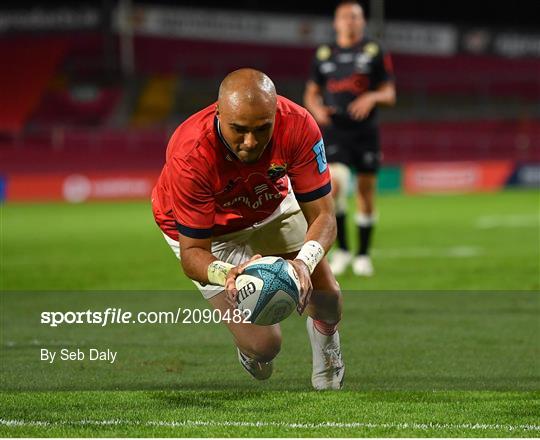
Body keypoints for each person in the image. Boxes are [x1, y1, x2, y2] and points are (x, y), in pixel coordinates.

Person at [152, 68, 344, 390]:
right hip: (210, 232)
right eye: (238, 130)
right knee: (265, 345)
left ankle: (327, 351)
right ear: (218, 113)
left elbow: (324, 216)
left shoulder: (297, 124)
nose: (250, 142)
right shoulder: (190, 153)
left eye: (262, 129)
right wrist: (227, 274)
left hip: (269, 206)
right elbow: (193, 254)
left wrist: (302, 263)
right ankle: (251, 352)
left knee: (328, 299)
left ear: (275, 115)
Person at [304, 0, 396, 276]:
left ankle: (363, 255)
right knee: (336, 187)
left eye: (355, 16)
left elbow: (390, 94)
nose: (350, 21)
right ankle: (343, 250)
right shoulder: (324, 54)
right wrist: (317, 109)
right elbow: (310, 93)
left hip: (366, 132)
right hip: (334, 132)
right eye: (345, 16)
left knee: (366, 191)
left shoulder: (374, 51)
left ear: (362, 21)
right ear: (336, 22)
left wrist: (371, 96)